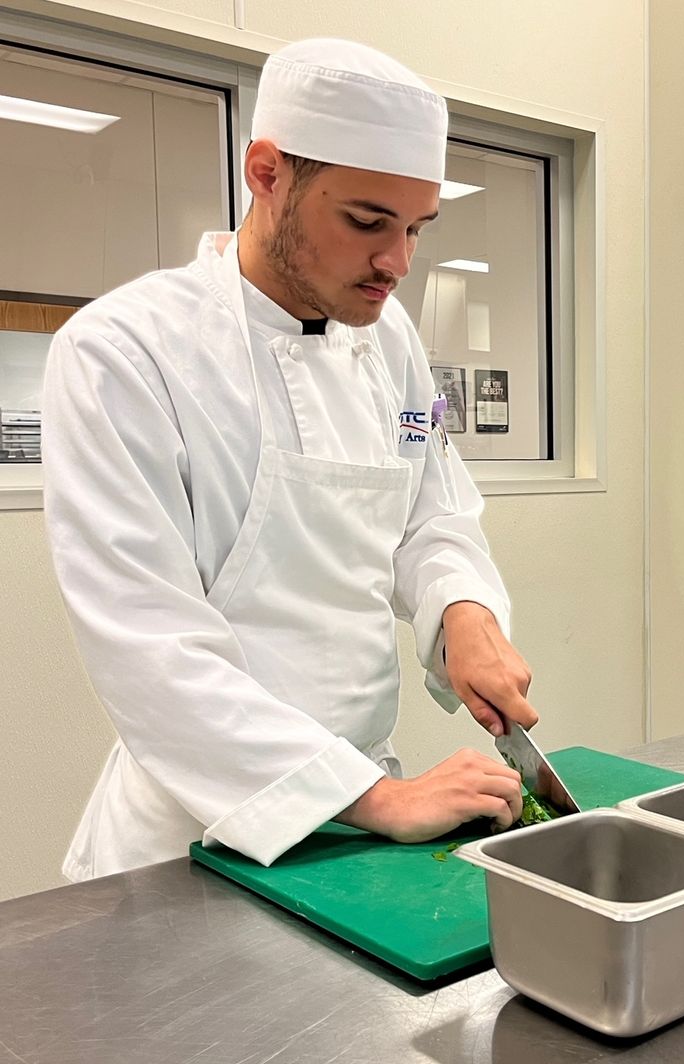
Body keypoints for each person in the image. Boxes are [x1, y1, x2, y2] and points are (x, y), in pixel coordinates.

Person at [42, 38, 537, 882]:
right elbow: (151, 649)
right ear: (267, 173)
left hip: (361, 821)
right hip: (196, 831)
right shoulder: (123, 352)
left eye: (417, 228)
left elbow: (431, 511)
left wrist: (462, 611)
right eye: (367, 222)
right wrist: (375, 800)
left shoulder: (392, 343)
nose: (398, 264)